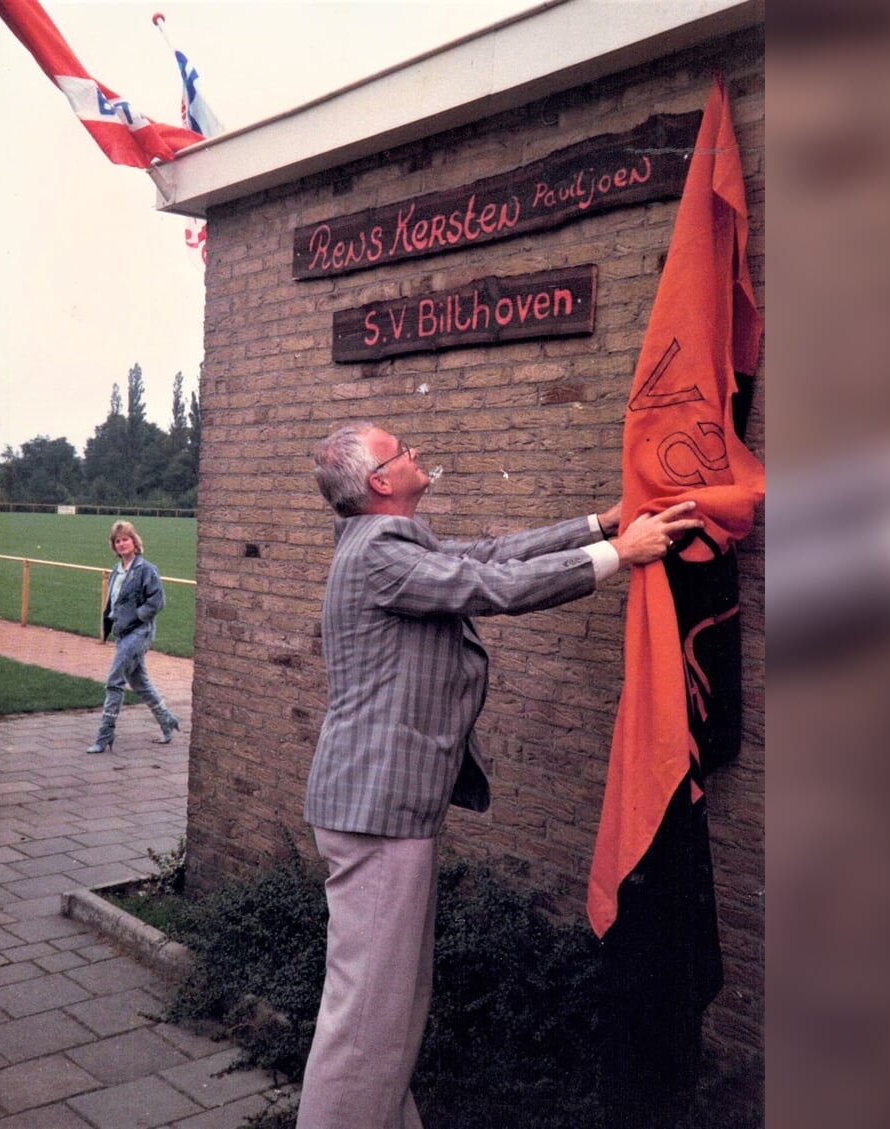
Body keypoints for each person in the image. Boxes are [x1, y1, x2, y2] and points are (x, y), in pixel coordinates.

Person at [296, 422, 700, 1129]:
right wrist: (620, 554)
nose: (417, 454)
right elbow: (492, 584)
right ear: (381, 482)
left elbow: (486, 552)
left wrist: (596, 525)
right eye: (404, 451)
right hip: (376, 809)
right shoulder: (381, 554)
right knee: (369, 1022)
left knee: (386, 1009)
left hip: (378, 807)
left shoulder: (388, 543)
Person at [85, 520, 180, 753]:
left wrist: (137, 617)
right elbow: (113, 602)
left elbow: (157, 601)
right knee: (138, 681)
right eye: (117, 541)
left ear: (134, 542)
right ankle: (167, 721)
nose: (121, 544)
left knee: (114, 680)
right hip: (122, 632)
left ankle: (105, 734)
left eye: (125, 539)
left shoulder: (146, 570)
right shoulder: (116, 571)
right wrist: (110, 621)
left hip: (140, 632)